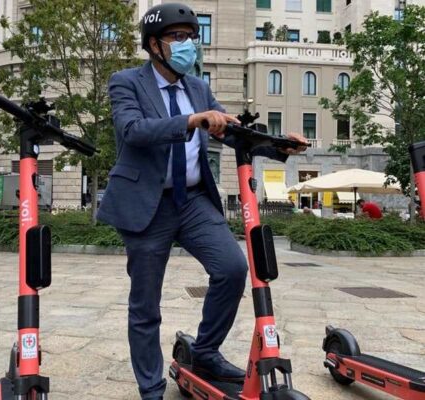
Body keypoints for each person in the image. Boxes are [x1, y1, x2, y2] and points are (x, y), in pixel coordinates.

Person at [96, 4, 308, 399]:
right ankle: (151, 389)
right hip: (147, 203)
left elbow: (233, 132)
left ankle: (206, 352)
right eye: (177, 37)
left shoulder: (198, 88)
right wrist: (192, 121)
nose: (188, 44)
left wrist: (281, 146)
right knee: (145, 305)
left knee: (232, 268)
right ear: (154, 45)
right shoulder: (126, 82)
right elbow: (133, 130)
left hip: (193, 200)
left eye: (191, 37)